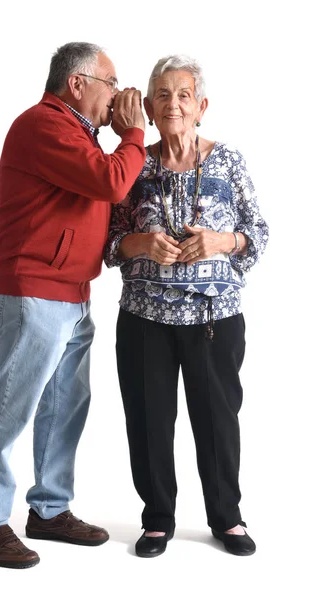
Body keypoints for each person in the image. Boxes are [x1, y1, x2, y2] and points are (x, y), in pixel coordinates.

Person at [0, 41, 146, 569]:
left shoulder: (80, 133)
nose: (116, 95)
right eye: (110, 84)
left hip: (72, 290)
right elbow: (112, 181)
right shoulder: (45, 126)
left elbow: (103, 181)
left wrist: (118, 138)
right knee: (13, 405)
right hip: (34, 286)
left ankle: (49, 509)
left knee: (63, 407)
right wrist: (134, 134)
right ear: (78, 83)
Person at [105, 54, 269, 558]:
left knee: (218, 420)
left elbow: (259, 235)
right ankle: (157, 519)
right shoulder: (132, 164)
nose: (172, 104)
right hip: (145, 319)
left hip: (213, 320)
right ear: (149, 110)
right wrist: (141, 242)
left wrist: (223, 241)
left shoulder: (229, 161)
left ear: (200, 106)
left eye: (182, 95)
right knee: (150, 420)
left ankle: (227, 517)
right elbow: (109, 244)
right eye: (162, 95)